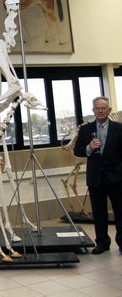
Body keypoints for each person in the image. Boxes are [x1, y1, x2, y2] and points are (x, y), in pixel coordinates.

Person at [73, 96, 122, 254]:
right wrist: (89, 148)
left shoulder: (119, 128)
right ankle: (102, 243)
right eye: (97, 108)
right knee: (99, 213)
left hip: (117, 178)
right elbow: (77, 151)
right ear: (93, 110)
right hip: (96, 179)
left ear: (109, 110)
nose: (100, 111)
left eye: (103, 108)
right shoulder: (86, 130)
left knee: (120, 213)